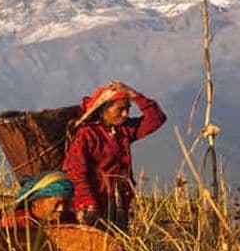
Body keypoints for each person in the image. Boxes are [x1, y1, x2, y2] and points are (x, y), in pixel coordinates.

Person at [62, 81, 166, 231]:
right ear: (104, 109)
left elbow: (156, 119)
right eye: (120, 109)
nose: (126, 114)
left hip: (119, 201)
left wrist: (134, 95)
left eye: (128, 109)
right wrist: (88, 203)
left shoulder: (123, 131)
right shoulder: (87, 134)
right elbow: (75, 171)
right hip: (94, 204)